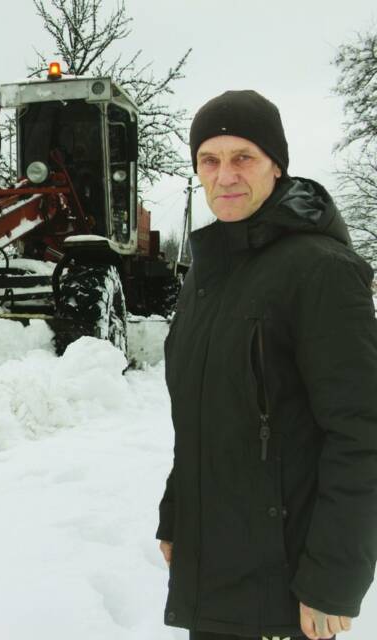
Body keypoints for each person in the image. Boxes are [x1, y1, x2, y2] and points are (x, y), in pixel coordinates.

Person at [157, 90, 377, 640]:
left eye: (243, 158)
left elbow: (360, 432)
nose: (225, 175)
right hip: (217, 569)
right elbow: (204, 412)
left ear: (276, 166)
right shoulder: (208, 275)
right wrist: (175, 511)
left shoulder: (320, 269)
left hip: (286, 582)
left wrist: (333, 578)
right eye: (210, 160)